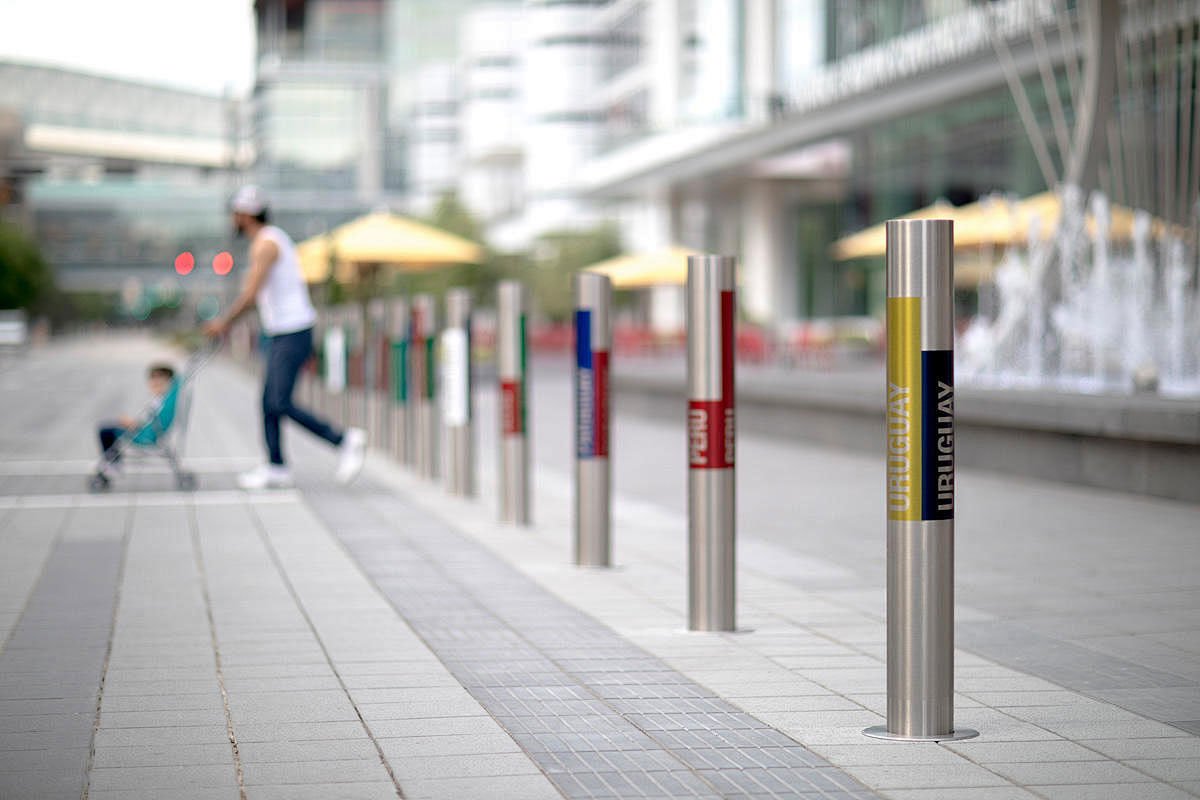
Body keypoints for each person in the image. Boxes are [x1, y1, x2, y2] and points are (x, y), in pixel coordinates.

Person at [204, 185, 365, 489]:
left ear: (246, 214)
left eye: (235, 214)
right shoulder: (269, 240)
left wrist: (223, 323)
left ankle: (344, 440)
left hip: (293, 331)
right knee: (268, 402)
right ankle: (276, 466)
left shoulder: (266, 245)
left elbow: (251, 294)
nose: (232, 220)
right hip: (282, 331)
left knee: (278, 401)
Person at [97, 363, 179, 471]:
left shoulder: (163, 402)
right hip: (146, 431)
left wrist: (132, 424)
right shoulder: (163, 400)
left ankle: (113, 463)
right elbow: (152, 422)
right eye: (152, 379)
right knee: (109, 429)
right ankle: (113, 461)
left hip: (146, 435)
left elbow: (154, 424)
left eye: (159, 382)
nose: (154, 383)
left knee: (106, 431)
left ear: (168, 382)